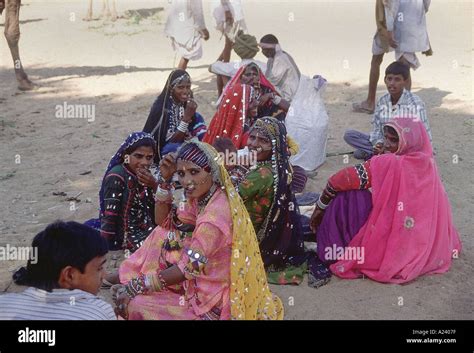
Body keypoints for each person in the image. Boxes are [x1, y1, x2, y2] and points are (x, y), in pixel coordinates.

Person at [111, 141, 283, 320]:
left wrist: (137, 285)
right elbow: (163, 222)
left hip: (212, 300)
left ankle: (136, 280)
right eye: (181, 174)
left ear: (212, 171)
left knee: (137, 305)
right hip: (201, 275)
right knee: (162, 235)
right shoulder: (203, 197)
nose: (187, 182)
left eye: (194, 172)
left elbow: (189, 268)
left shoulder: (214, 219)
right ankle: (137, 278)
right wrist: (164, 181)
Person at [310, 117, 461, 284]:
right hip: (419, 239)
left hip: (391, 240)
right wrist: (379, 156)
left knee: (349, 196)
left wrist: (319, 208)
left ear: (408, 141)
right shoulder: (427, 162)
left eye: (394, 140)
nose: (388, 144)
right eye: (386, 138)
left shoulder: (391, 162)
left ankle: (334, 246)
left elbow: (337, 181)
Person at [238, 117, 329, 287]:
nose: (254, 144)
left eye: (263, 140)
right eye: (252, 137)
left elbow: (232, 198)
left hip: (254, 236)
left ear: (274, 145)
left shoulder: (261, 175)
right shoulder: (280, 165)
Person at [0, 221, 116, 320]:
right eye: (99, 268)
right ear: (69, 275)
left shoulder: (4, 305)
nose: (104, 275)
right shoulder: (100, 310)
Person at [353, 0, 432, 114]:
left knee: (378, 58)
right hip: (412, 17)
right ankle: (403, 106)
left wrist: (389, 30)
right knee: (404, 63)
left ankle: (372, 102)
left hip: (395, 20)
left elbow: (391, 4)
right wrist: (420, 10)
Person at [344, 61, 432, 160]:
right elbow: (377, 129)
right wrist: (379, 144)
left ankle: (376, 154)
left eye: (397, 79)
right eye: (389, 79)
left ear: (406, 82)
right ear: (385, 80)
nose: (392, 83)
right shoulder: (382, 101)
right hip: (386, 143)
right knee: (350, 135)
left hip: (405, 148)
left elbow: (423, 135)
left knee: (361, 154)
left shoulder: (414, 103)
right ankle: (378, 153)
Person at [86, 132, 157, 253]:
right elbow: (110, 216)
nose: (145, 162)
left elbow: (152, 207)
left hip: (144, 226)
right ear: (126, 156)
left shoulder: (146, 176)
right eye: (138, 156)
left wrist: (154, 186)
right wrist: (107, 243)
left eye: (149, 157)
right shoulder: (117, 176)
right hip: (126, 236)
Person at [204, 62, 289, 149]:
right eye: (248, 74)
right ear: (241, 77)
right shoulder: (236, 93)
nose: (252, 77)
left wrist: (271, 96)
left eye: (255, 74)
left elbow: (287, 108)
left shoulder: (266, 92)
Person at [143, 70, 207, 162]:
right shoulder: (161, 109)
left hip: (184, 144)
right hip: (164, 153)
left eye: (188, 87)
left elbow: (191, 129)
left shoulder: (185, 104)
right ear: (171, 88)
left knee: (198, 118)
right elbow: (171, 142)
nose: (185, 91)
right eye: (180, 87)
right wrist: (186, 119)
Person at [209, 30, 266, 96]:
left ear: (237, 50)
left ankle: (220, 96)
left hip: (237, 99)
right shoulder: (264, 66)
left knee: (222, 72)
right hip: (259, 99)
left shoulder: (234, 66)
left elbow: (212, 67)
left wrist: (228, 47)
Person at [165, 0, 210, 70]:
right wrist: (203, 29)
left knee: (187, 52)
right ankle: (178, 77)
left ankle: (179, 75)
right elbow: (197, 11)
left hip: (177, 21)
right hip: (187, 23)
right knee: (189, 51)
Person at [259, 34, 301, 102]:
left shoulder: (280, 58)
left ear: (271, 49)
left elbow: (272, 81)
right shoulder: (271, 59)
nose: (262, 52)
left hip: (290, 94)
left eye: (265, 50)